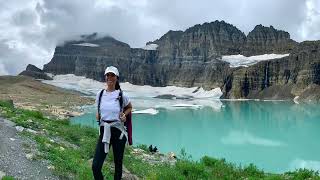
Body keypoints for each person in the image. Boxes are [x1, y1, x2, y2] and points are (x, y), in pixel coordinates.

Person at [92, 66, 132, 180]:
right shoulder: (99, 94)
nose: (110, 77)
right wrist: (99, 115)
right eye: (108, 75)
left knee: (118, 165)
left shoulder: (121, 95)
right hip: (104, 130)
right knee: (96, 166)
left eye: (112, 75)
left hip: (118, 131)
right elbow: (99, 109)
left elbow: (129, 107)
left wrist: (124, 115)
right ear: (105, 77)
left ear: (117, 78)